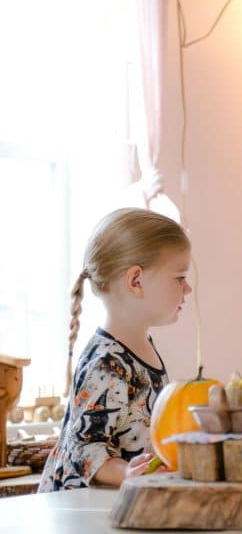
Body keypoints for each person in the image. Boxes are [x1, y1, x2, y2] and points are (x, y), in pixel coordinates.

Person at [38, 208, 190, 491]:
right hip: (78, 511)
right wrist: (128, 473)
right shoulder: (107, 362)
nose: (188, 288)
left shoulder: (140, 348)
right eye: (180, 277)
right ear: (136, 281)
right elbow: (84, 447)